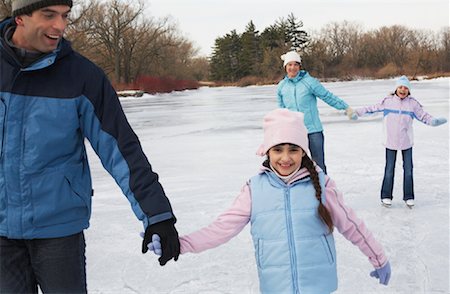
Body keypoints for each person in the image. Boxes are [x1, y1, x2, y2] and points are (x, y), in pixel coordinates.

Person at [0, 1, 180, 293]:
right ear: (20, 17)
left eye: (64, 16)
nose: (60, 26)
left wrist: (156, 214)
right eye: (49, 15)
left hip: (58, 231)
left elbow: (121, 149)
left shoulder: (83, 77)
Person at [148, 109, 391, 293]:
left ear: (303, 152)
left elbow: (352, 226)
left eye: (293, 149)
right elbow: (221, 229)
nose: (286, 158)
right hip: (276, 287)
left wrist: (378, 258)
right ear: (267, 152)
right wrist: (179, 244)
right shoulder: (254, 189)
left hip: (319, 286)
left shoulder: (323, 185)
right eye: (278, 149)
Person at [351, 75, 447, 208]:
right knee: (389, 169)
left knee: (408, 170)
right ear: (396, 88)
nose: (403, 90)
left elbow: (423, 116)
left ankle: (409, 196)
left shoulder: (412, 103)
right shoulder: (388, 101)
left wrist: (433, 121)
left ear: (409, 90)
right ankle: (386, 196)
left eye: (406, 88)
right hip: (390, 142)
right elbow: (371, 109)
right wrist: (357, 112)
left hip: (406, 142)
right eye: (400, 87)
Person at [277, 51, 356, 174]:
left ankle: (323, 191)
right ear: (285, 67)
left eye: (295, 64)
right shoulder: (282, 86)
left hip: (313, 130)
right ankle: (303, 191)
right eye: (290, 65)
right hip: (295, 131)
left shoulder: (309, 82)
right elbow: (282, 110)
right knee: (296, 165)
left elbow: (327, 96)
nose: (292, 68)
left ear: (299, 66)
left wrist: (346, 107)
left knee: (318, 165)